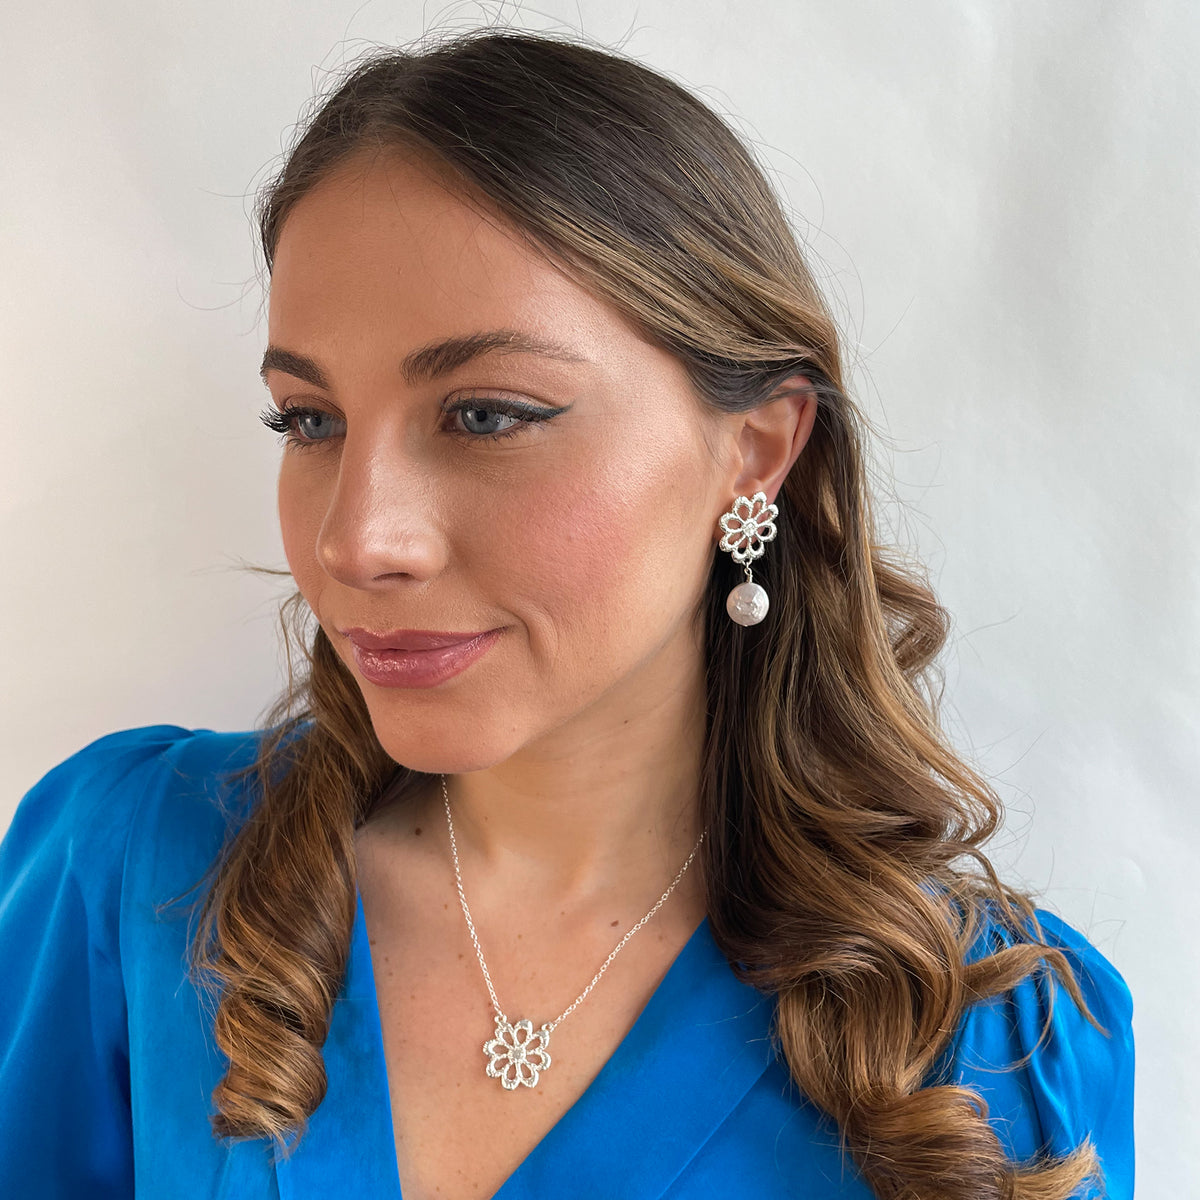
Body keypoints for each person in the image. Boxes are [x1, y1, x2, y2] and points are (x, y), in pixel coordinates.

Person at [0, 27, 1133, 1200]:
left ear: (755, 454)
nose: (356, 539)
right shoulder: (131, 873)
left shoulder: (986, 1039)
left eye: (486, 414)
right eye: (309, 420)